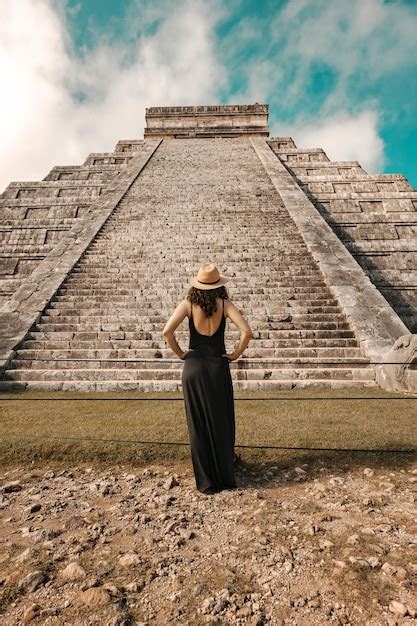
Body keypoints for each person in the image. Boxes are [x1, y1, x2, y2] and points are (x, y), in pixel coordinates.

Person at [162, 262, 253, 495]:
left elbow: (166, 332)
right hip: (217, 367)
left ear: (197, 285)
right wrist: (234, 354)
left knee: (198, 424)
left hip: (193, 367)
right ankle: (225, 473)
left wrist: (181, 353)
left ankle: (206, 481)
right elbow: (247, 332)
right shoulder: (224, 304)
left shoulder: (188, 305)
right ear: (218, 285)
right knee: (221, 420)